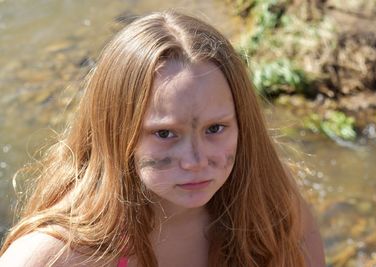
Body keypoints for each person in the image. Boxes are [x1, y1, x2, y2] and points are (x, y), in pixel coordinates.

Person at [0, 11, 325, 267]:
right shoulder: (54, 256)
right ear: (115, 131)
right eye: (165, 133)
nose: (196, 160)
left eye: (215, 129)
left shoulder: (268, 206)